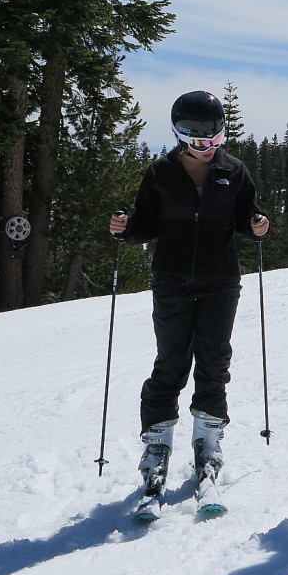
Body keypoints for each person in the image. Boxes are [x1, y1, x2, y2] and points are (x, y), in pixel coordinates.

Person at [109, 90, 270, 492]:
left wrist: (256, 225)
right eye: (197, 139)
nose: (206, 147)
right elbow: (146, 223)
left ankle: (208, 442)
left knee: (214, 360)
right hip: (172, 280)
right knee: (171, 361)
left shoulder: (234, 171)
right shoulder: (160, 173)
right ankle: (157, 446)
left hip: (220, 282)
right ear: (180, 134)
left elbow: (245, 216)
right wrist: (127, 230)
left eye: (214, 139)